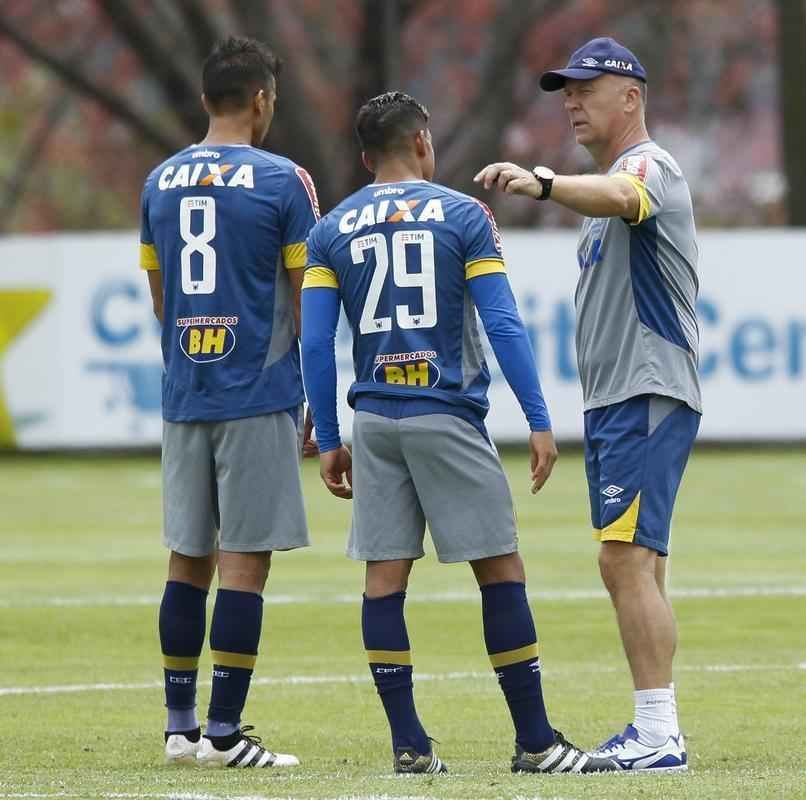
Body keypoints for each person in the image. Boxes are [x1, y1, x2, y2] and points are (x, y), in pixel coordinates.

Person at [301, 91, 618, 775]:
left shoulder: (332, 230)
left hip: (375, 421)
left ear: (364, 158)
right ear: (423, 142)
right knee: (500, 571)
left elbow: (317, 342)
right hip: (444, 412)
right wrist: (538, 418)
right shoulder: (461, 214)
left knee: (383, 581)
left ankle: (409, 746)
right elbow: (501, 321)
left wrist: (329, 437)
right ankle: (536, 742)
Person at [475, 37, 701, 773]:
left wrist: (542, 183)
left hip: (645, 388)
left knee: (622, 560)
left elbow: (621, 195)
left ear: (629, 97)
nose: (570, 101)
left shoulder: (647, 166)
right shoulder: (613, 178)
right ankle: (658, 727)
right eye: (564, 91)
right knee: (638, 562)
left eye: (585, 88)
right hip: (617, 397)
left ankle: (658, 732)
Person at [140, 36, 319, 768]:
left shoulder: (160, 181)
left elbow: (159, 293)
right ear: (261, 100)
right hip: (257, 390)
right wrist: (311, 391)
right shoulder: (284, 180)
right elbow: (310, 295)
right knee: (246, 562)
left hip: (187, 390)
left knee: (188, 558)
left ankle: (180, 726)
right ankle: (224, 732)